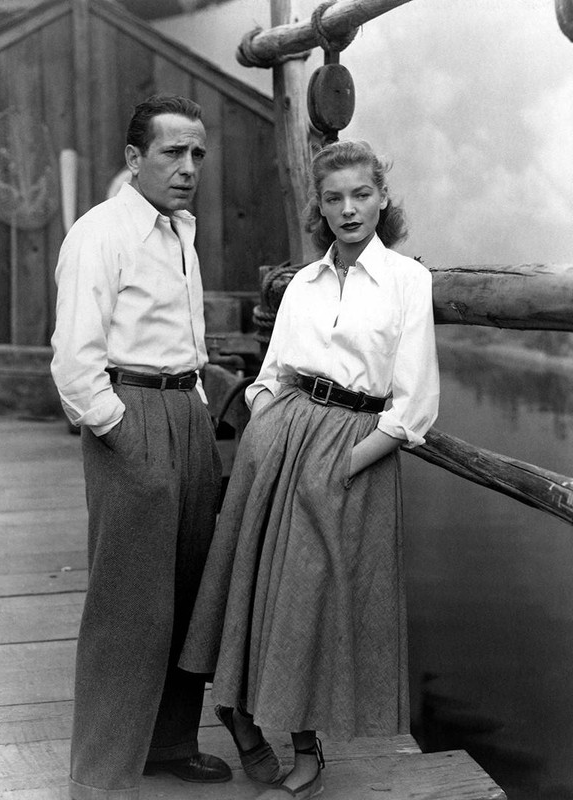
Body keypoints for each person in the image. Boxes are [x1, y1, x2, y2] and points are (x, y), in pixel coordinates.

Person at [179, 139, 440, 799]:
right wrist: (267, 431)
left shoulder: (409, 281)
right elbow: (272, 375)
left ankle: (302, 742)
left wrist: (341, 466)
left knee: (311, 595)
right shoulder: (304, 282)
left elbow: (412, 410)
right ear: (319, 209)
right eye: (334, 198)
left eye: (361, 194)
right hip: (282, 437)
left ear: (382, 196)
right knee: (253, 581)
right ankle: (243, 715)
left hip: (354, 449)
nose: (348, 209)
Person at [50, 93, 231, 800]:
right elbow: (72, 359)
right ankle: (98, 776)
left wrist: (201, 412)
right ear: (134, 158)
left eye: (197, 155)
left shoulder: (179, 229)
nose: (188, 168)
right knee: (129, 605)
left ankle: (169, 746)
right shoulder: (101, 232)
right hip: (132, 418)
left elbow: (184, 336)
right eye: (172, 153)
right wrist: (124, 434)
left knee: (186, 594)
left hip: (186, 414)